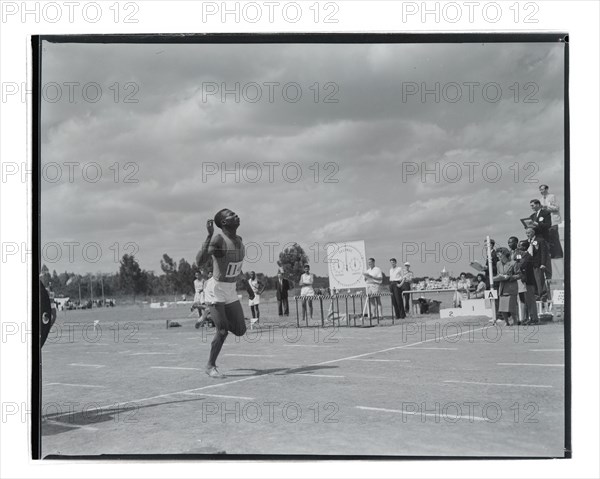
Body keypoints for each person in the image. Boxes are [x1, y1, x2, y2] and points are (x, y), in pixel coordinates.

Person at [195, 209, 255, 378]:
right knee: (222, 331)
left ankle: (210, 314)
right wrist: (209, 236)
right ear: (224, 223)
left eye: (235, 213)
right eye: (231, 215)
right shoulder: (218, 239)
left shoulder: (240, 240)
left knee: (241, 330)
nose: (236, 215)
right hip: (216, 289)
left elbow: (237, 267)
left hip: (230, 289)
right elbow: (199, 262)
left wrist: (248, 287)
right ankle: (210, 365)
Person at [493, 248, 520, 326]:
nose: (499, 257)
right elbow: (499, 274)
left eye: (500, 255)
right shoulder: (498, 264)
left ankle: (515, 321)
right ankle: (506, 322)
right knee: (502, 308)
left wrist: (510, 277)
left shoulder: (513, 263)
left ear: (505, 254)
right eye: (497, 256)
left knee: (511, 306)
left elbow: (519, 275)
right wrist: (498, 277)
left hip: (511, 287)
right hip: (502, 287)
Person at [516, 240, 539, 325]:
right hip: (525, 281)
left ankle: (534, 318)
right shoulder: (521, 255)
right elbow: (518, 263)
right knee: (527, 300)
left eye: (520, 246)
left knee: (531, 300)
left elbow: (520, 265)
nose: (518, 247)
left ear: (524, 247)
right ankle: (529, 317)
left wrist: (518, 256)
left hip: (529, 281)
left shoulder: (527, 256)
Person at [525, 227, 550, 301]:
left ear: (533, 232)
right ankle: (536, 294)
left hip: (538, 264)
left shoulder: (540, 240)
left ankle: (543, 294)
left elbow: (543, 253)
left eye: (528, 233)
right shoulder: (527, 242)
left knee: (539, 280)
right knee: (534, 281)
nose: (527, 235)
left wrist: (543, 263)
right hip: (530, 264)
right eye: (526, 233)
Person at [539, 184, 563, 259]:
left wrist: (546, 207)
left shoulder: (552, 196)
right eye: (540, 190)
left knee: (554, 237)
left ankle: (558, 254)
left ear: (546, 189)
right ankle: (552, 254)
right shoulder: (541, 199)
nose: (541, 191)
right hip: (547, 222)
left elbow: (556, 208)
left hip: (553, 220)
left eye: (542, 189)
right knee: (549, 237)